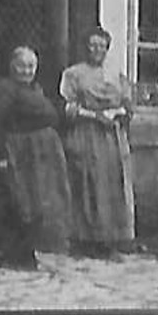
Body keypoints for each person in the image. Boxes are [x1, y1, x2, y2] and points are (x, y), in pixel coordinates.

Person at [0, 46, 73, 268]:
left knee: (35, 203)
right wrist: (0, 156)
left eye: (31, 66)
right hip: (18, 153)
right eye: (21, 66)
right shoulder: (4, 90)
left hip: (37, 157)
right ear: (12, 66)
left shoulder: (35, 90)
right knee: (17, 201)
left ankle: (27, 251)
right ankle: (12, 254)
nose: (26, 71)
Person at [59, 26, 135, 257]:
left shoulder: (115, 74)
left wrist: (119, 113)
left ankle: (108, 240)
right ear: (85, 47)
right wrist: (94, 116)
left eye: (101, 46)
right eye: (92, 45)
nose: (97, 50)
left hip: (111, 137)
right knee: (87, 183)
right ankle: (84, 239)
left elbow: (128, 105)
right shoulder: (74, 74)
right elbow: (67, 107)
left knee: (110, 185)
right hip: (85, 134)